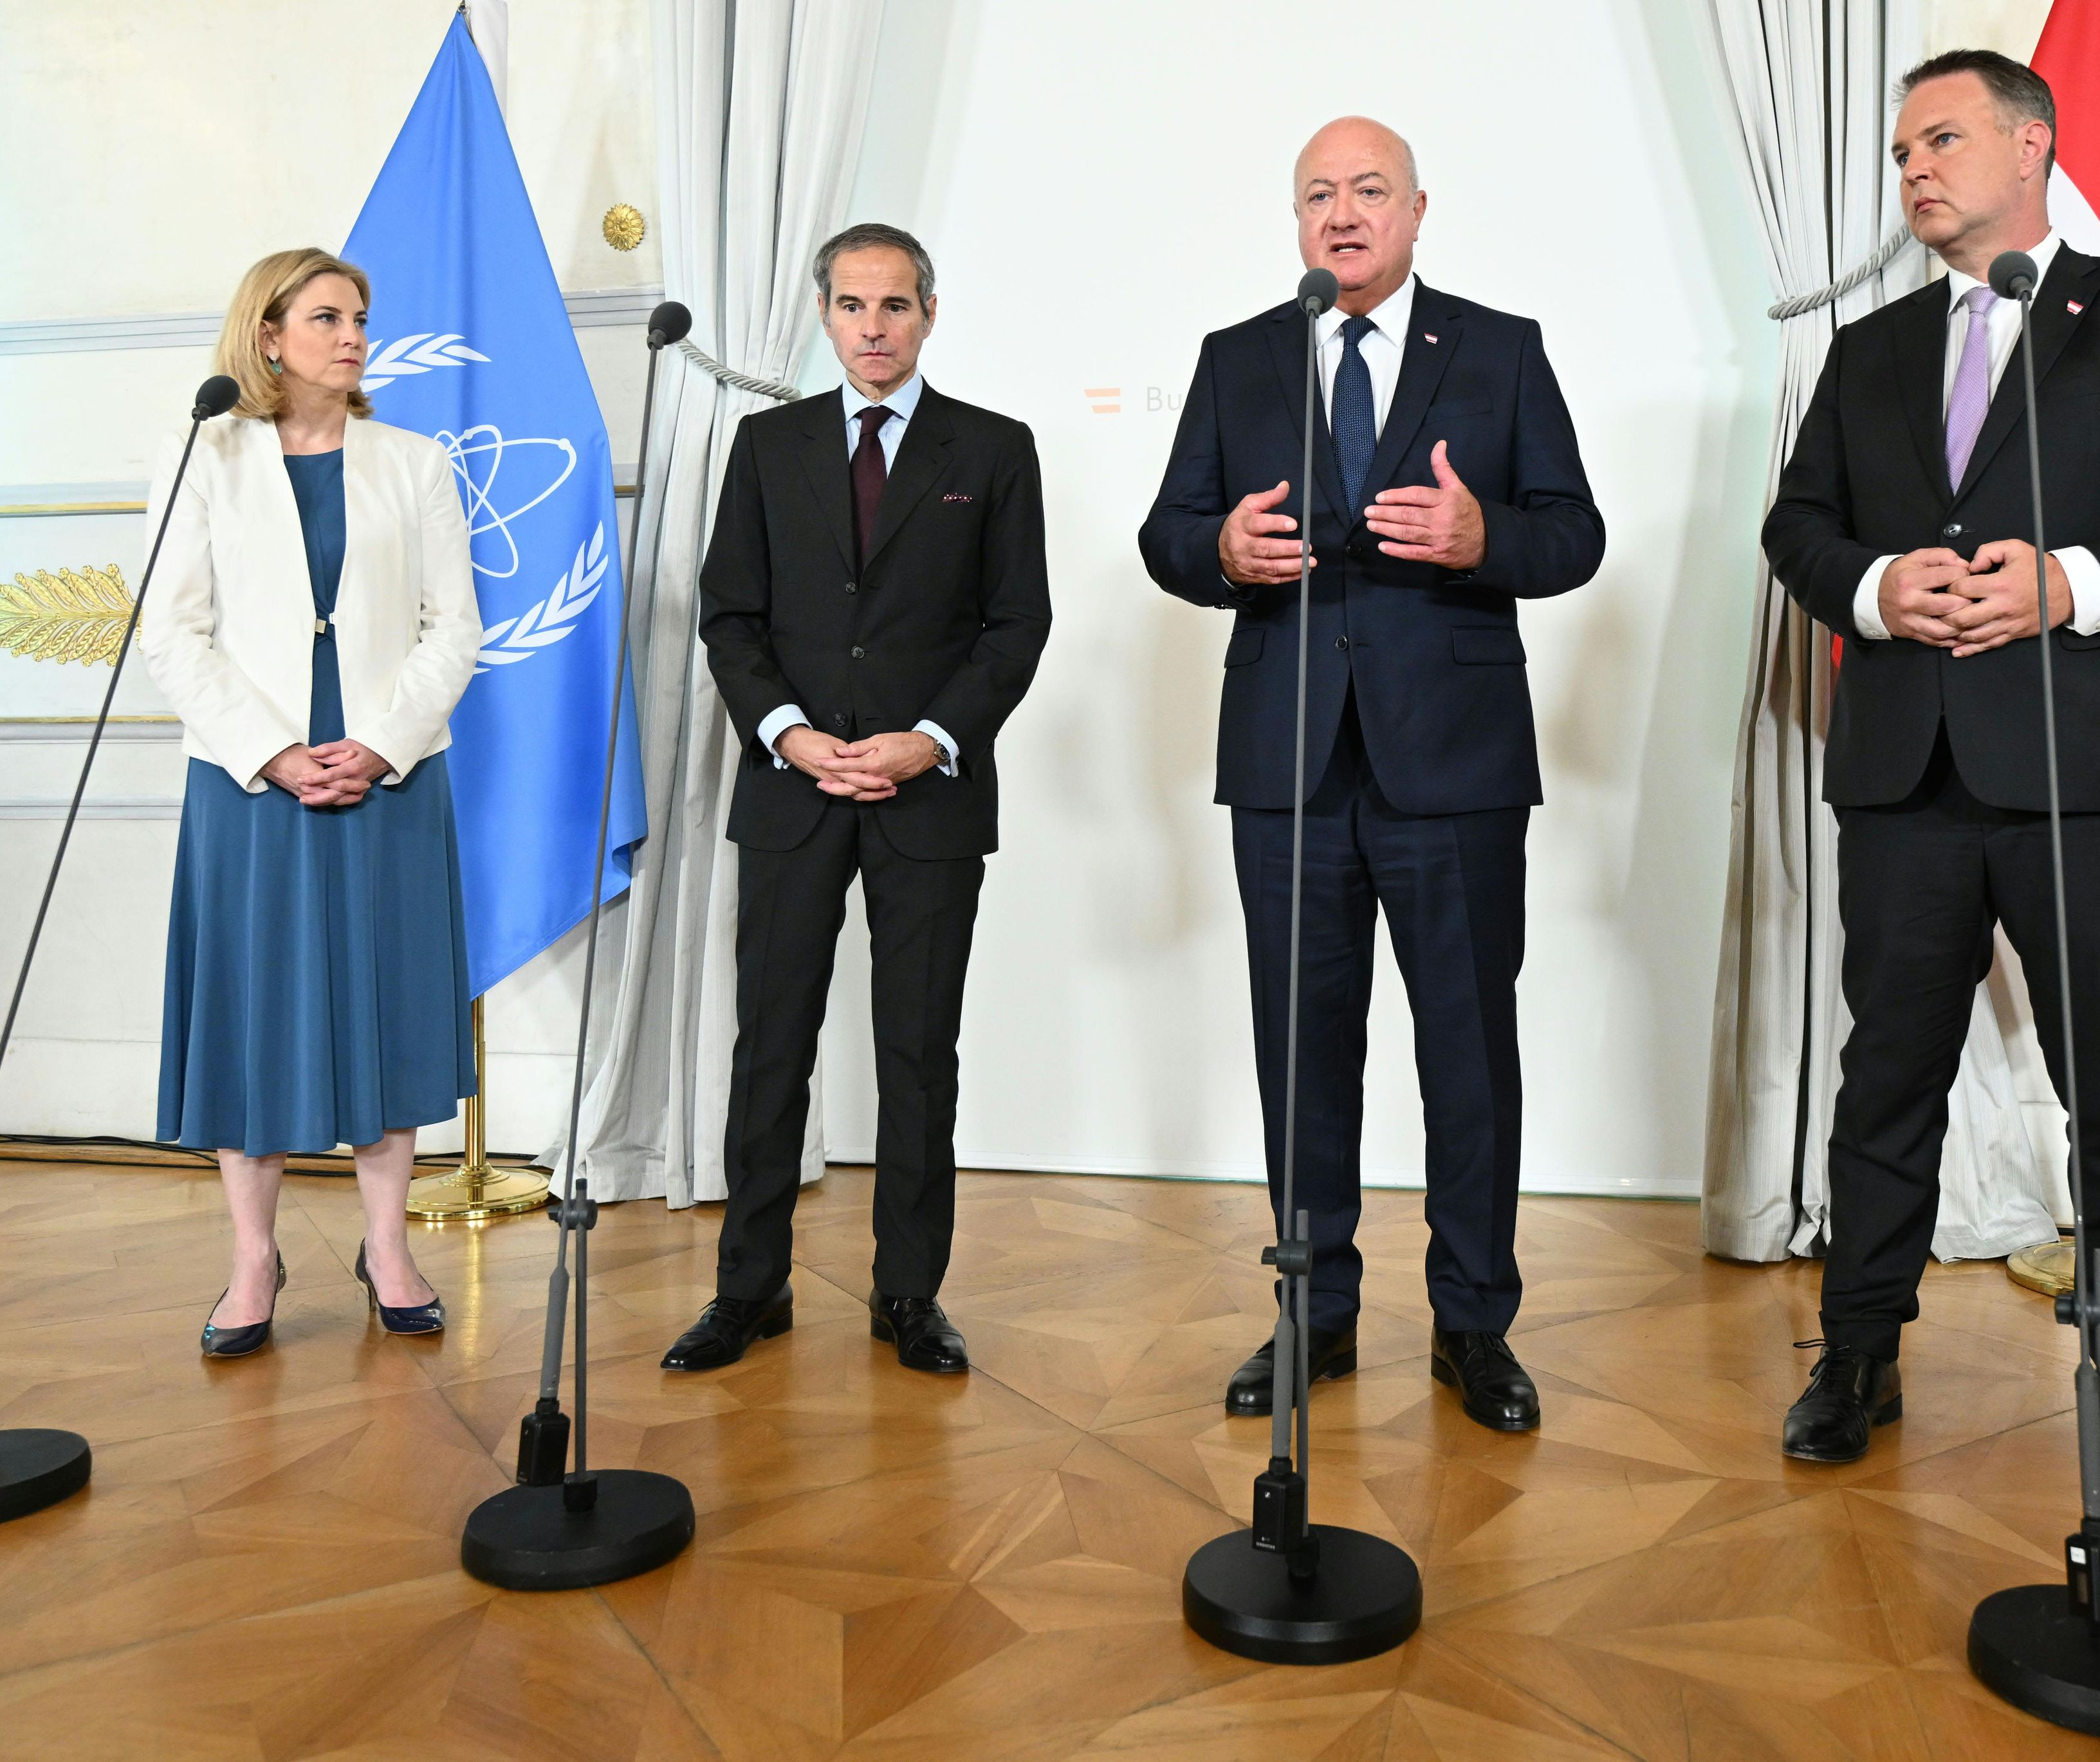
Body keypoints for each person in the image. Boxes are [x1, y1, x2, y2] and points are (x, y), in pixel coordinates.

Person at [1763, 52, 2100, 1501]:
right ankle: (1854, 1354)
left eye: (1940, 138)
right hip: (1906, 773)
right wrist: (1873, 592)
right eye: (1898, 149)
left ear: (2028, 144)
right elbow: (1797, 527)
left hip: (2085, 772)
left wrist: (2072, 582)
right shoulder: (1866, 351)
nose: (1911, 167)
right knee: (1885, 1080)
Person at [1139, 119, 1605, 1431]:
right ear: (1294, 222)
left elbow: (1571, 532)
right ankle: (1312, 1311)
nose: (1341, 215)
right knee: (1302, 1056)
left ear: (1414, 209)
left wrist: (1477, 534)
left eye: (1366, 192)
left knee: (1466, 1051)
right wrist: (1220, 547)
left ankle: (1473, 1325)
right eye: (1315, 196)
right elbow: (1166, 533)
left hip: (1450, 768)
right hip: (1285, 767)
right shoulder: (1238, 359)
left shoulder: (1497, 349)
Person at [662, 223, 1051, 1377]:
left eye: (893, 306)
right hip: (793, 791)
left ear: (930, 313)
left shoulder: (995, 448)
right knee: (771, 1042)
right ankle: (749, 1290)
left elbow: (1014, 625)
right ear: (823, 315)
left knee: (918, 1050)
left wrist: (927, 742)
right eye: (850, 306)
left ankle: (908, 1296)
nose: (872, 328)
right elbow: (728, 613)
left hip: (926, 800)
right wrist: (790, 734)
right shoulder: (767, 444)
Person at [140, 247, 483, 1359]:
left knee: (389, 1008)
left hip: (387, 779)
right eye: (328, 316)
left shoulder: (414, 461)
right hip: (249, 787)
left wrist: (379, 746)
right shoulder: (205, 455)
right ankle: (253, 1257)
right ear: (269, 334)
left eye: (361, 317)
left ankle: (388, 1246)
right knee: (252, 1019)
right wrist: (273, 752)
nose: (354, 336)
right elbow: (173, 632)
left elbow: (455, 629)